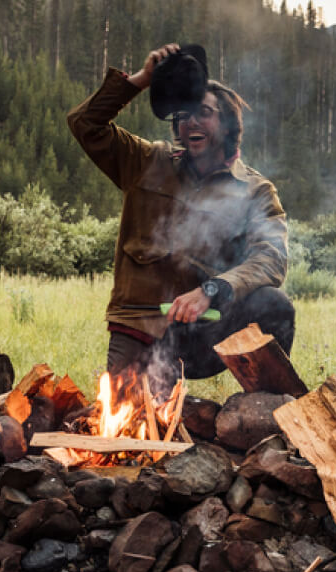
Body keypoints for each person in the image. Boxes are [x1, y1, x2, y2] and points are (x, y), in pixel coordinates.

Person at [68, 43, 294, 386]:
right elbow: (85, 123)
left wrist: (212, 290)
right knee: (129, 412)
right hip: (141, 327)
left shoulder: (255, 191)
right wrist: (142, 80)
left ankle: (265, 404)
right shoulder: (147, 162)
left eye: (203, 112)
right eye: (183, 114)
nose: (191, 122)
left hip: (205, 329)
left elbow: (271, 259)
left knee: (274, 305)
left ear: (228, 123)